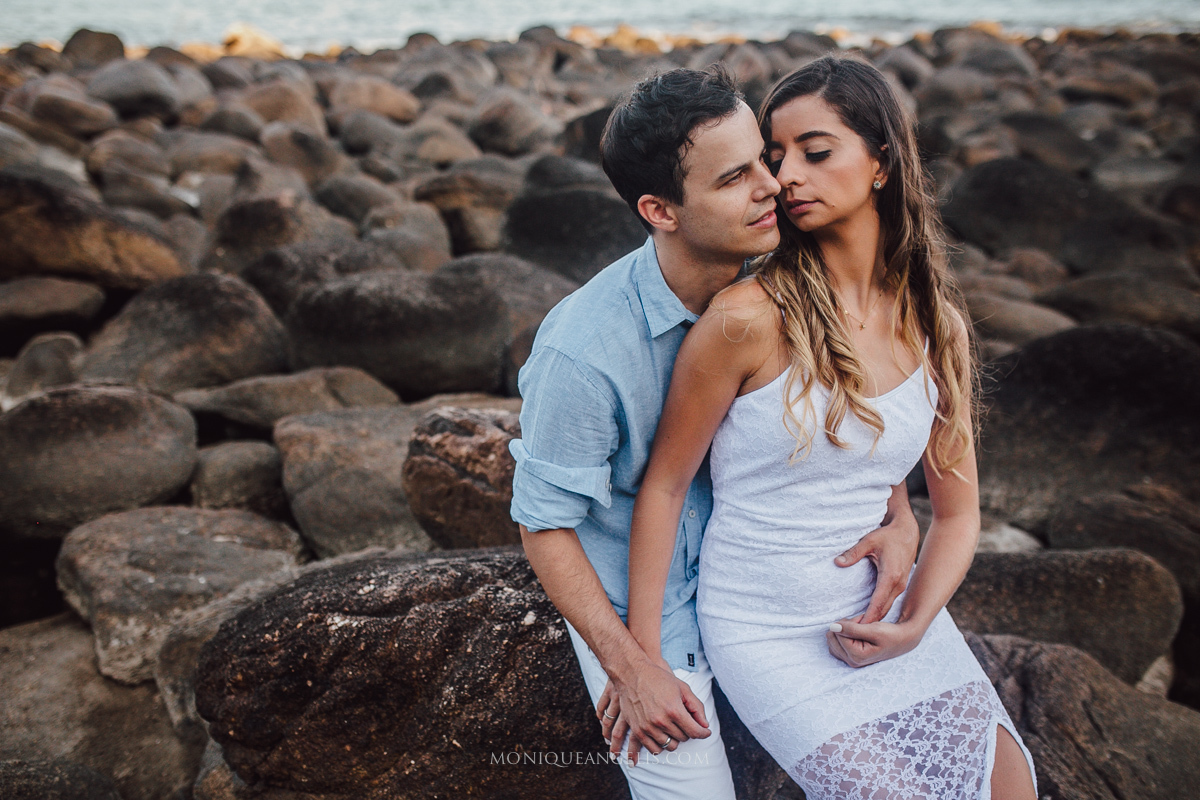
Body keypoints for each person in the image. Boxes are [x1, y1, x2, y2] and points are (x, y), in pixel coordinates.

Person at [624, 56, 1039, 799]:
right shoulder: (746, 320)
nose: (785, 177)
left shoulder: (936, 325)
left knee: (1009, 787)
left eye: (815, 152)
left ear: (881, 162)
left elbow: (957, 512)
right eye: (774, 157)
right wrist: (645, 661)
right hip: (766, 630)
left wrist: (915, 622)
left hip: (892, 620)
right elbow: (665, 487)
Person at [509, 65, 922, 799]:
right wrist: (630, 666)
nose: (774, 185)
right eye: (736, 178)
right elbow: (544, 525)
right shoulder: (583, 353)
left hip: (777, 591)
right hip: (655, 616)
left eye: (765, 158)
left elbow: (853, 410)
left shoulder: (793, 280)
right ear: (660, 210)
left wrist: (899, 515)